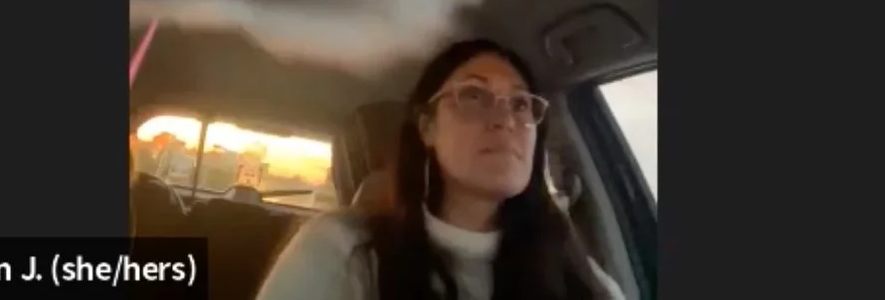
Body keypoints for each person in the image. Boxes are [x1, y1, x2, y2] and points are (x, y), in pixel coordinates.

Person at [253, 39, 627, 300]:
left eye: (520, 104)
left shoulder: (575, 270)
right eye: (474, 96)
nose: (505, 119)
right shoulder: (342, 251)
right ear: (427, 127)